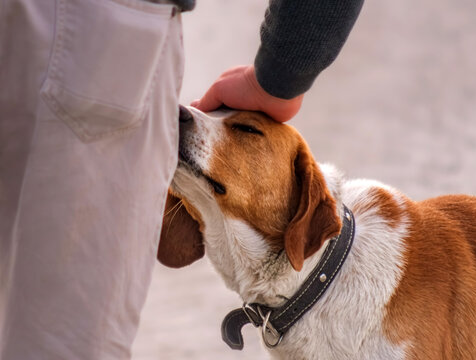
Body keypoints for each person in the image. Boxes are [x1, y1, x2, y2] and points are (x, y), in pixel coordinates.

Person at [0, 0, 363, 358]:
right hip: (102, 26)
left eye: (246, 131)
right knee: (66, 331)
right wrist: (280, 74)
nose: (184, 114)